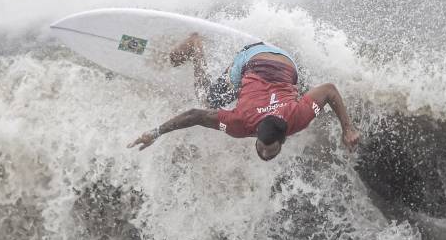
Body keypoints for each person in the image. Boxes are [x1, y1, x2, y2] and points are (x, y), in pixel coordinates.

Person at [127, 34, 361, 161]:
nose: (265, 154)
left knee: (292, 92)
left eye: (266, 151)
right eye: (267, 150)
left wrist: (347, 128)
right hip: (253, 57)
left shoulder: (300, 116)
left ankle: (250, 84)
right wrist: (155, 133)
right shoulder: (238, 124)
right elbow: (195, 115)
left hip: (287, 61)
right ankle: (195, 46)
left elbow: (330, 92)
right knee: (206, 100)